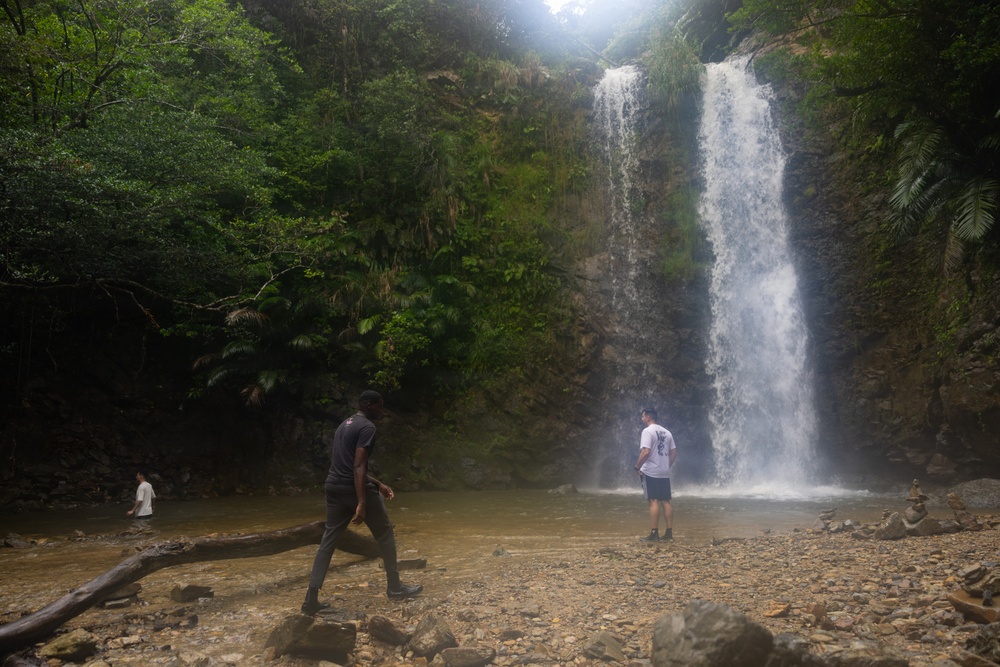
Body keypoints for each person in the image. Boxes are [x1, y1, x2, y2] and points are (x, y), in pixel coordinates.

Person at [302, 390, 422, 614]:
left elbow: (345, 465)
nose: (381, 410)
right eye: (379, 405)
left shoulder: (344, 425)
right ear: (368, 404)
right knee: (385, 533)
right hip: (352, 488)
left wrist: (378, 484)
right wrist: (362, 502)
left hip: (333, 486)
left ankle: (310, 599)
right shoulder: (367, 428)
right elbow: (357, 466)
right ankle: (395, 587)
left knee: (327, 542)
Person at [634, 408, 678, 542]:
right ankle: (669, 533)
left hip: (650, 471)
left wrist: (638, 466)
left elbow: (646, 451)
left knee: (653, 500)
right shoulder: (667, 432)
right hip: (663, 472)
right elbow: (674, 452)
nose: (641, 419)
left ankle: (654, 534)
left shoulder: (647, 431)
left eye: (642, 416)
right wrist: (666, 465)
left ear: (648, 417)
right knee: (665, 501)